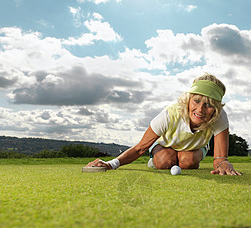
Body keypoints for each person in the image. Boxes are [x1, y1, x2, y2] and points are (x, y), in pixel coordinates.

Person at [86, 73, 241, 176]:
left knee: (188, 162)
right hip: (164, 146)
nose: (200, 110)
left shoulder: (219, 116)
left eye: (208, 105)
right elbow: (140, 147)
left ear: (216, 107)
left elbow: (220, 157)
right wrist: (110, 164)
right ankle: (155, 160)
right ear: (188, 99)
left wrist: (223, 164)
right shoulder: (169, 114)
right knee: (165, 161)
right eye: (196, 101)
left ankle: (181, 158)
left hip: (193, 148)